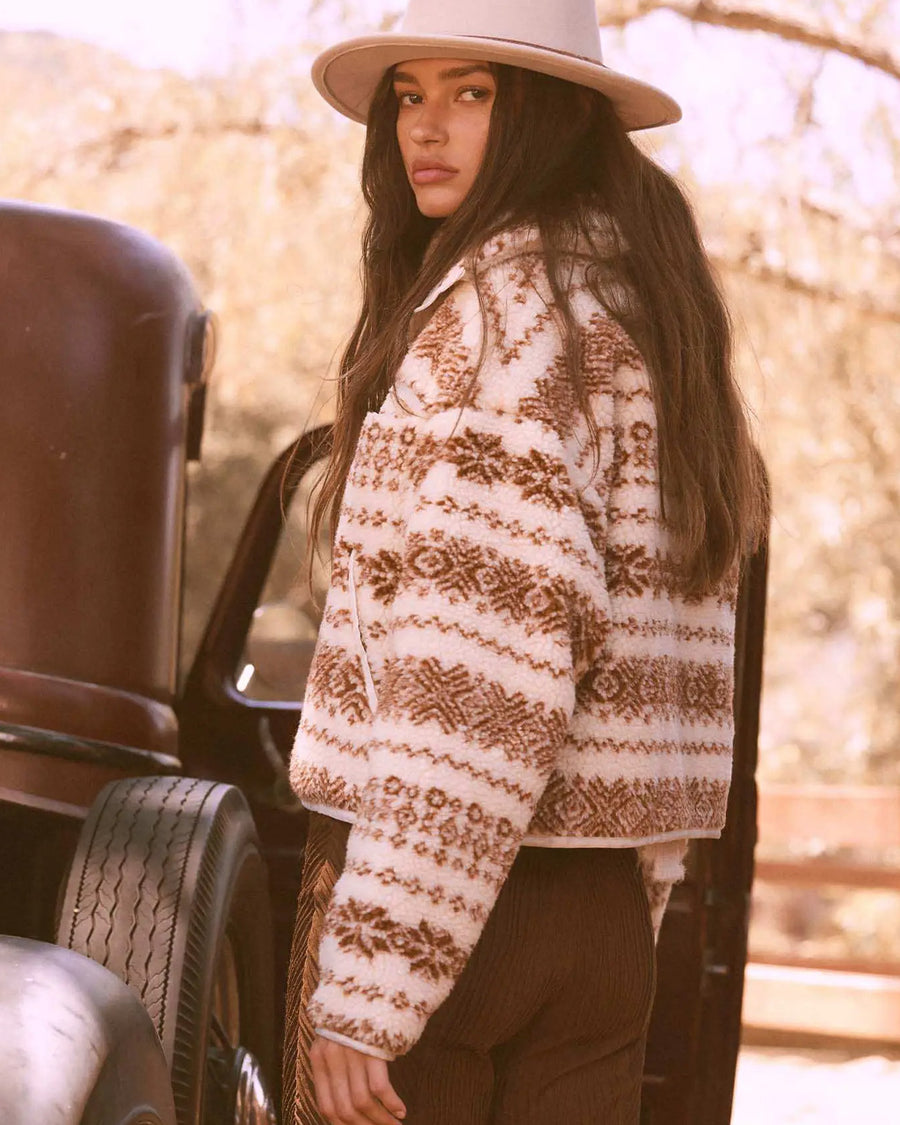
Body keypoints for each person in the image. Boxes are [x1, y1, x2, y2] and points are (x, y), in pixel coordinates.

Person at [282, 2, 769, 1123]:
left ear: (547, 115)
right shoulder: (654, 321)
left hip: (455, 918)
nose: (427, 128)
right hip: (598, 924)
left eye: (473, 92)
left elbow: (481, 681)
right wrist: (632, 890)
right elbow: (673, 663)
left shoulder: (501, 325)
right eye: (411, 94)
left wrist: (372, 981)